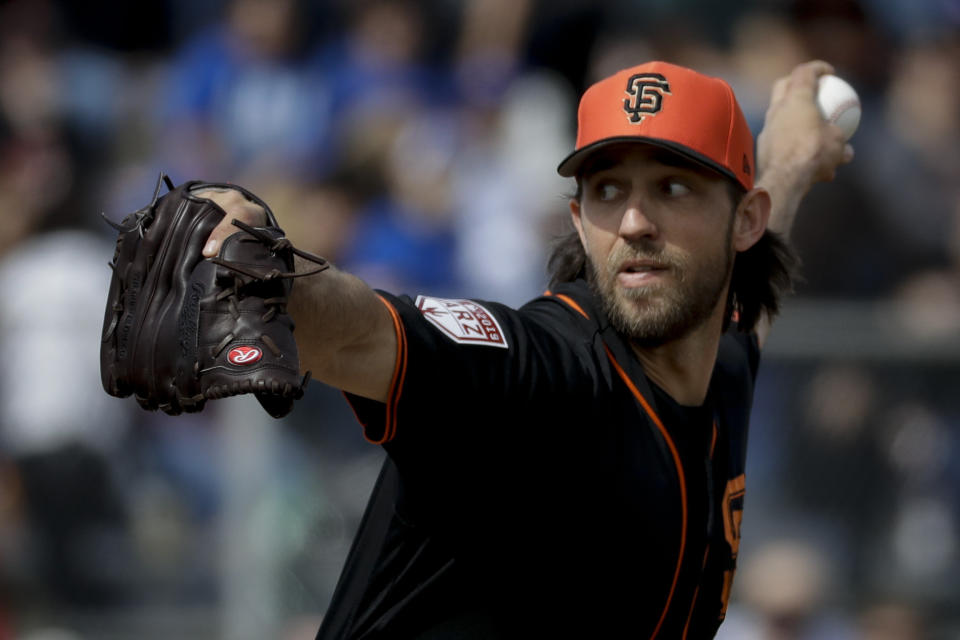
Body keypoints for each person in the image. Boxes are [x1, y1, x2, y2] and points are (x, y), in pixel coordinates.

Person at [196, 59, 852, 638]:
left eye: (673, 188)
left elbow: (742, 314)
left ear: (747, 220)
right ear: (577, 219)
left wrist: (790, 165)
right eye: (608, 190)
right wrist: (269, 278)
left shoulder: (722, 366)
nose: (634, 221)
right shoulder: (543, 369)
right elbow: (367, 329)